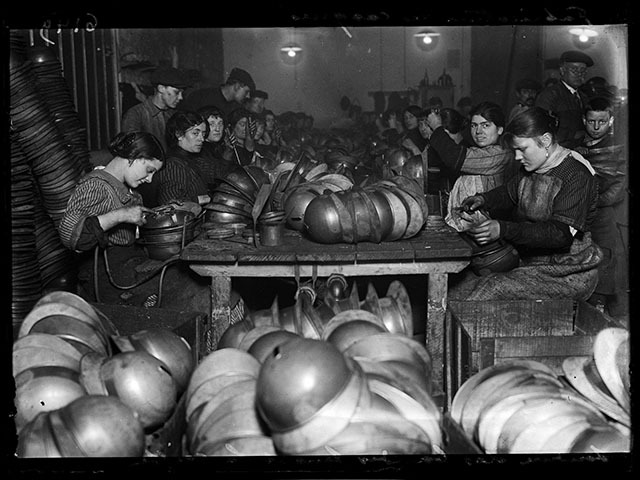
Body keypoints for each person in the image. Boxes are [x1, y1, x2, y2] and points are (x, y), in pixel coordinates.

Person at [448, 107, 601, 301]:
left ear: (545, 141)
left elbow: (559, 234)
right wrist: (483, 199)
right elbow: (508, 193)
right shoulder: (530, 169)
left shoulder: (576, 176)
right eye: (515, 150)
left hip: (568, 271)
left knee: (492, 288)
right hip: (531, 262)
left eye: (522, 149)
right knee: (459, 283)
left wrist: (503, 229)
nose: (518, 157)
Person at [57, 131, 211, 312]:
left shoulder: (130, 191)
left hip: (128, 266)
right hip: (107, 278)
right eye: (149, 170)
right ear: (134, 157)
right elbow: (69, 234)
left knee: (189, 274)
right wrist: (121, 215)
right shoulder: (96, 185)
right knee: (189, 285)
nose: (150, 179)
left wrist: (164, 211)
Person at [574, 97, 627, 316]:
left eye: (602, 122)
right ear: (583, 120)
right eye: (591, 121)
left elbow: (618, 187)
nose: (596, 127)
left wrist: (595, 203)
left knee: (606, 256)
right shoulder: (576, 146)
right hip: (577, 212)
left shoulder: (618, 149)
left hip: (603, 213)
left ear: (611, 121)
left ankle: (601, 305)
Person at [426, 101, 515, 225]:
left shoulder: (501, 154)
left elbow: (455, 157)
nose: (478, 131)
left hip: (490, 230)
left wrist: (437, 128)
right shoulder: (482, 151)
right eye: (474, 125)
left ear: (500, 130)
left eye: (485, 125)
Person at [141, 111, 211, 208]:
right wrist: (204, 199)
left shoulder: (193, 160)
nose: (201, 139)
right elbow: (172, 206)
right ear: (179, 135)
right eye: (195, 133)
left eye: (203, 134)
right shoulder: (173, 165)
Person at [121, 67, 191, 151]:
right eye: (176, 92)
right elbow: (132, 149)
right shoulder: (135, 114)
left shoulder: (175, 115)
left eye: (182, 93)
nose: (180, 97)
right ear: (161, 88)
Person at [535, 50, 594, 149]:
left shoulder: (584, 97)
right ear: (562, 71)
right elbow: (541, 132)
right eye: (574, 70)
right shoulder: (550, 95)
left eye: (583, 71)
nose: (579, 74)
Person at [181, 67, 256, 118]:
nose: (248, 96)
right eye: (246, 91)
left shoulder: (235, 107)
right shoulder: (201, 97)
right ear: (237, 86)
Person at [196, 105, 237, 190]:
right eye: (212, 124)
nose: (217, 129)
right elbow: (215, 179)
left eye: (220, 123)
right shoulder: (198, 149)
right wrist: (227, 155)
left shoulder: (221, 146)